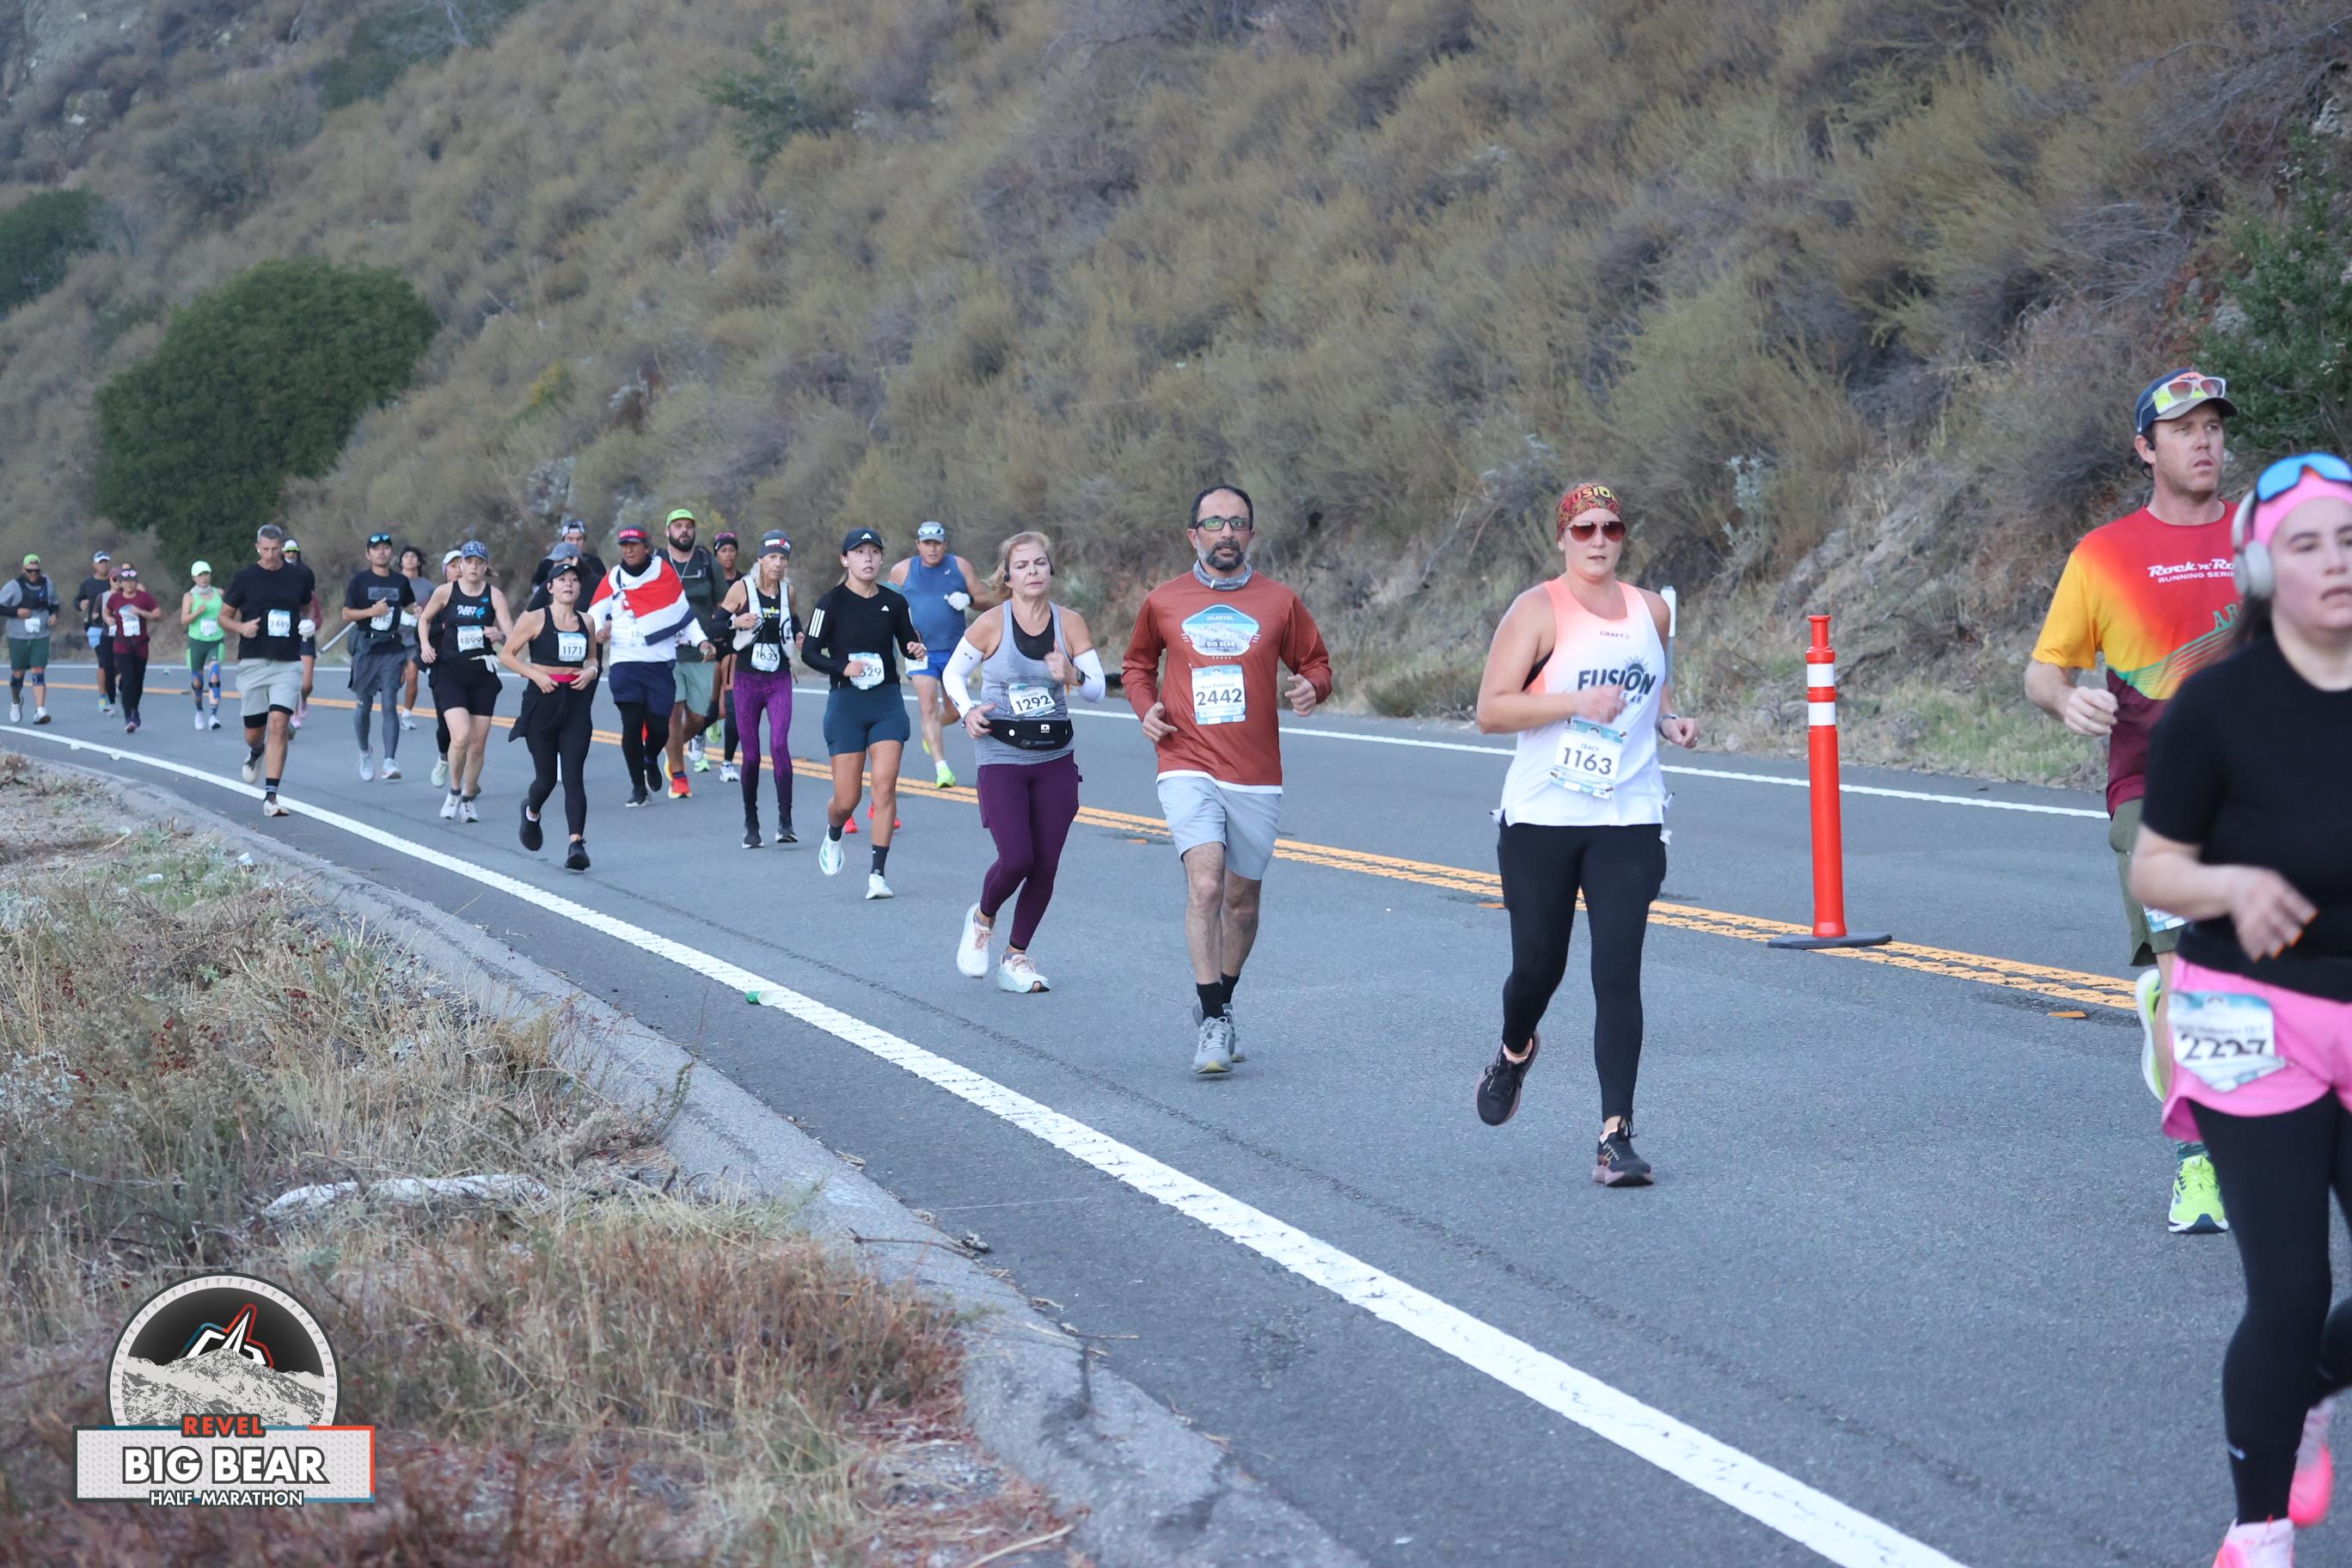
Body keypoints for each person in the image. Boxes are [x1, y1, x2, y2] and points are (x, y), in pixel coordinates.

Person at [2128, 454, 2352, 1568]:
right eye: (2307, 544)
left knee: (2316, 1329)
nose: (2336, 563)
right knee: (2291, 1286)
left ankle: (2313, 1388)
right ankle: (2256, 1534)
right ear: (2262, 569)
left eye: (2350, 540)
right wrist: (2230, 886)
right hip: (2251, 1013)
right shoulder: (2217, 705)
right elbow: (2155, 869)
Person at [2027, 367, 2243, 1235]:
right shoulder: (2104, 554)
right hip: (2155, 795)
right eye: (2184, 429)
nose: (2204, 441)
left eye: (2213, 427)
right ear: (2145, 449)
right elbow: (2044, 669)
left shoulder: (2266, 536)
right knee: (2185, 983)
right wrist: (2064, 698)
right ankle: (2200, 1165)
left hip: (2271, 789)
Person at [1468, 484, 1700, 1185]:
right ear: (1563, 537)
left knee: (1617, 972)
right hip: (1543, 815)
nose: (1599, 540)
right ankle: (1514, 1050)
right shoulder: (1537, 610)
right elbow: (1491, 711)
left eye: (1611, 528)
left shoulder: (1650, 610)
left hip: (1628, 815)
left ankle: (1615, 1137)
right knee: (1538, 968)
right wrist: (1574, 702)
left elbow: (1652, 683)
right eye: (1585, 529)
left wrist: (1668, 720)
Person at [1124, 484, 1333, 1075]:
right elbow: (1137, 664)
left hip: (1255, 771)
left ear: (1251, 535)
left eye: (1237, 523)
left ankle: (1221, 999)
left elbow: (1316, 662)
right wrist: (1144, 707)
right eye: (1214, 523)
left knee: (1241, 905)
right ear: (1193, 535)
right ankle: (1214, 1020)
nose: (1226, 533)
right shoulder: (1164, 600)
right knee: (1206, 885)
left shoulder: (1279, 601)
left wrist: (1312, 687)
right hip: (1185, 758)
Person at [942, 530, 1105, 992]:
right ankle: (982, 919)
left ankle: (1016, 957)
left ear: (1050, 570)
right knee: (1017, 857)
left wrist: (1072, 674)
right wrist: (968, 710)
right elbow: (953, 673)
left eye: (1039, 563)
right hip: (1001, 755)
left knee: (1046, 864)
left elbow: (1095, 689)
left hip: (1055, 757)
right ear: (1007, 577)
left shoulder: (1069, 623)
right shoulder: (991, 624)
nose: (1032, 572)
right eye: (1022, 565)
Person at [799, 527, 924, 897]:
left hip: (886, 702)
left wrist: (916, 649)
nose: (867, 558)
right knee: (847, 799)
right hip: (847, 704)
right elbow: (809, 653)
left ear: (882, 558)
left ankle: (877, 875)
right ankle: (834, 832)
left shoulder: (894, 602)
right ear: (845, 560)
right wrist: (843, 667)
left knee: (884, 785)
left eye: (873, 552)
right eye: (859, 552)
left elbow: (908, 640)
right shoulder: (830, 603)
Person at [586, 524, 717, 807]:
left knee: (660, 728)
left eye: (634, 545)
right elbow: (594, 612)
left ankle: (650, 757)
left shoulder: (663, 574)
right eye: (624, 546)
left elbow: (683, 615)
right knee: (631, 724)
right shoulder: (615, 577)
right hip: (624, 662)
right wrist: (599, 629)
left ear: (646, 547)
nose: (628, 550)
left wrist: (702, 642)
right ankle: (638, 788)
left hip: (659, 663)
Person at [500, 547, 600, 872]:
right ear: (550, 587)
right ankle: (531, 812)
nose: (569, 584)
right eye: (562, 579)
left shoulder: (587, 621)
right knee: (545, 780)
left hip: (575, 702)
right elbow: (507, 655)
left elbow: (593, 658)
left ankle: (576, 845)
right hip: (542, 700)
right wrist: (536, 675)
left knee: (573, 776)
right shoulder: (534, 618)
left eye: (574, 580)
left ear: (580, 588)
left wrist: (591, 671)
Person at [219, 524, 318, 817]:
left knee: (278, 724)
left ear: (282, 548)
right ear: (257, 548)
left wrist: (308, 624)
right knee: (254, 733)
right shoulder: (245, 578)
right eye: (266, 549)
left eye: (276, 549)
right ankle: (255, 752)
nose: (271, 555)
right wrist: (241, 628)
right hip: (253, 661)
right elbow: (224, 616)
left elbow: (307, 607)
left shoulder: (299, 576)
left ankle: (271, 797)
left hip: (287, 662)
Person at [415, 541, 513, 823]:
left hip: (482, 673)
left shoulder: (494, 596)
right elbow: (424, 620)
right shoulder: (446, 591)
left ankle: (468, 798)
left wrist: (499, 636)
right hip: (450, 672)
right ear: (460, 565)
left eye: (479, 563)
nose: (473, 567)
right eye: (468, 562)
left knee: (478, 744)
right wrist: (425, 645)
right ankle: (454, 791)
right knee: (460, 736)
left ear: (485, 566)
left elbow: (512, 634)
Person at [890, 520, 987, 789]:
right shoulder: (902, 570)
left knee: (954, 711)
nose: (932, 549)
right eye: (927, 544)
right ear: (918, 545)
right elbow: (886, 605)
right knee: (928, 706)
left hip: (955, 651)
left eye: (937, 543)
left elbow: (987, 599)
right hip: (919, 650)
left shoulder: (959, 566)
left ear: (945, 544)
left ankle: (929, 733)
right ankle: (942, 769)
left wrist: (969, 600)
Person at [720, 530, 799, 848]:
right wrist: (734, 623)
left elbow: (794, 622)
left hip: (779, 678)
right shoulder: (742, 588)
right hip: (747, 679)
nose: (777, 564)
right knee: (751, 755)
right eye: (772, 558)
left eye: (783, 558)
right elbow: (715, 626)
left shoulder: (788, 591)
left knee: (779, 745)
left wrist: (800, 636)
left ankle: (785, 822)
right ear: (760, 560)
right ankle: (751, 822)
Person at [341, 531, 416, 781]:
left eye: (385, 548)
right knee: (363, 707)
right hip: (366, 648)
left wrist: (417, 612)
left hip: (392, 649)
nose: (381, 552)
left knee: (389, 704)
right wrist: (371, 611)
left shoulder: (400, 581)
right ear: (368, 554)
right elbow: (346, 614)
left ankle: (389, 761)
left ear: (391, 552)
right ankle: (365, 752)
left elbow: (409, 607)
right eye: (376, 549)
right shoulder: (359, 581)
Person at [660, 508, 726, 794]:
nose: (684, 531)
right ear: (668, 532)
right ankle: (679, 776)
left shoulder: (707, 563)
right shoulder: (657, 563)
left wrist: (722, 631)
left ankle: (671, 749)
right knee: (673, 714)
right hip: (666, 652)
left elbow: (724, 603)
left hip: (701, 651)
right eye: (678, 526)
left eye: (688, 526)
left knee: (699, 717)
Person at [1, 551, 59, 725]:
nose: (33, 574)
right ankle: (16, 701)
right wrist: (16, 612)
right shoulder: (13, 586)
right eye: (30, 570)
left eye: (36, 571)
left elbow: (54, 604)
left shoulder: (48, 584)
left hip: (40, 635)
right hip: (18, 636)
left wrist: (54, 615)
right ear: (23, 570)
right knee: (17, 674)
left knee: (38, 670)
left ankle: (40, 710)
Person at [102, 566, 161, 732]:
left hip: (141, 645)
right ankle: (130, 716)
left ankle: (134, 709)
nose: (129, 584)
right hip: (122, 645)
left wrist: (141, 612)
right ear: (121, 583)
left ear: (136, 583)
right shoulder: (115, 599)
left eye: (132, 581)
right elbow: (106, 611)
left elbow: (158, 615)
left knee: (138, 681)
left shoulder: (144, 597)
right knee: (128, 678)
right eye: (125, 581)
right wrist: (108, 618)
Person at [712, 529, 743, 783]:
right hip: (711, 647)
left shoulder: (745, 583)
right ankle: (697, 735)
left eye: (732, 550)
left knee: (733, 709)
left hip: (736, 649)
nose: (728, 555)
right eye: (723, 550)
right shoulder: (709, 581)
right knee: (713, 709)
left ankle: (727, 762)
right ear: (716, 555)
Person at [430, 548, 462, 787]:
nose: (459, 570)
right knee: (446, 728)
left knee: (471, 731)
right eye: (453, 566)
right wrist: (444, 627)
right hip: (443, 668)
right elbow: (423, 629)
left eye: (463, 564)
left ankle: (466, 781)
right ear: (445, 571)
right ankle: (443, 758)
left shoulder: (483, 596)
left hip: (475, 668)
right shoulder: (439, 596)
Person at [180, 560, 225, 730]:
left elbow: (228, 612)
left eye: (206, 574)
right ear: (194, 578)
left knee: (215, 674)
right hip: (197, 642)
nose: (204, 578)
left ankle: (214, 716)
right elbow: (184, 620)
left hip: (216, 640)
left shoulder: (219, 593)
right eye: (200, 575)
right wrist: (197, 612)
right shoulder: (190, 596)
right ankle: (199, 711)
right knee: (197, 682)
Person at [526, 518, 606, 609]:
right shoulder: (548, 563)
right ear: (563, 540)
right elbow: (536, 585)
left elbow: (603, 589)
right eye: (570, 539)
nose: (575, 543)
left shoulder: (595, 563)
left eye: (579, 539)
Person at [74, 550, 115, 714]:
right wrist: (80, 604)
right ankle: (103, 697)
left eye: (106, 562)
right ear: (94, 565)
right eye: (100, 563)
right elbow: (77, 600)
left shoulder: (114, 581)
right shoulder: (88, 584)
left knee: (117, 662)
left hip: (114, 628)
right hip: (96, 629)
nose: (103, 565)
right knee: (104, 662)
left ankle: (113, 684)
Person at [396, 545, 432, 731]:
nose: (409, 559)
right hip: (394, 638)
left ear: (419, 562)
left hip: (415, 639)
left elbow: (435, 609)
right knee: (397, 679)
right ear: (400, 561)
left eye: (413, 556)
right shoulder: (392, 582)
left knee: (412, 676)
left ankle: (406, 715)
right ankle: (390, 711)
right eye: (406, 556)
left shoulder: (429, 587)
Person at [282, 537, 315, 728]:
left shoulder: (305, 573)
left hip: (304, 629)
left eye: (294, 551)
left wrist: (310, 621)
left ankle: (303, 698)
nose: (291, 555)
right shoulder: (276, 574)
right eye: (287, 551)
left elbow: (312, 602)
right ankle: (293, 714)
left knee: (307, 683)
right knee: (292, 677)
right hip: (286, 630)